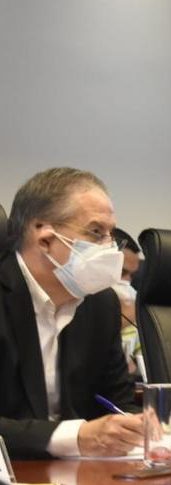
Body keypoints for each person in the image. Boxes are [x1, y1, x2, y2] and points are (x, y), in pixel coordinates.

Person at [0, 168, 143, 459]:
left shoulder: (100, 303)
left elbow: (118, 401)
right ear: (44, 238)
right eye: (96, 232)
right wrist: (73, 436)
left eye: (111, 235)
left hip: (78, 472)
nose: (109, 248)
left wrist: (135, 426)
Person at [111, 228, 145, 381]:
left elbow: (142, 368)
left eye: (132, 275)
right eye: (121, 272)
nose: (127, 281)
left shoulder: (135, 308)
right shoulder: (74, 306)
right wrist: (122, 320)